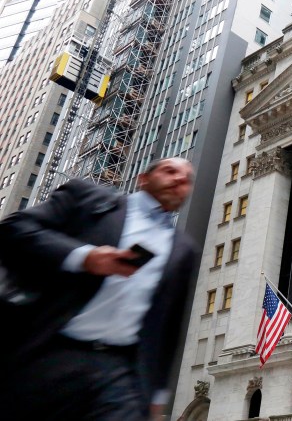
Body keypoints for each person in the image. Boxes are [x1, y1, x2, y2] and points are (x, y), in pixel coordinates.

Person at [0, 157, 200, 421]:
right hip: (51, 350)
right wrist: (84, 257)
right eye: (170, 171)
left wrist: (156, 396)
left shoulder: (184, 250)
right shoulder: (88, 198)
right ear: (143, 179)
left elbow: (169, 328)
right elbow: (13, 228)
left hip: (117, 372)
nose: (178, 179)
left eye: (186, 179)